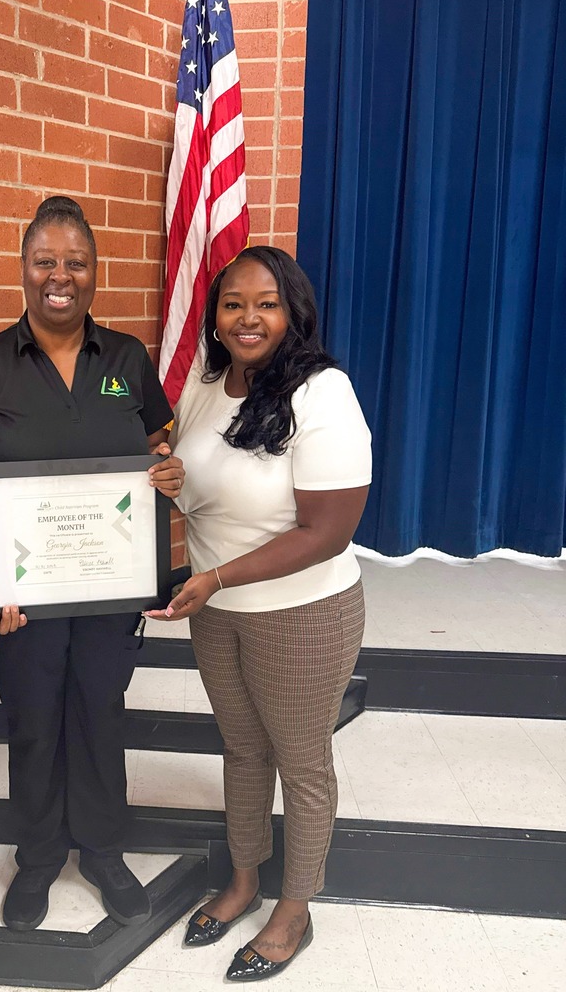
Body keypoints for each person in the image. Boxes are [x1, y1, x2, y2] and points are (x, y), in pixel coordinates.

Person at [0, 196, 184, 932]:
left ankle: (104, 850)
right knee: (33, 720)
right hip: (25, 597)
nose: (60, 276)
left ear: (95, 272)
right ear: (23, 269)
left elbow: (158, 452)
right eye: (46, 261)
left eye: (76, 261)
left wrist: (166, 472)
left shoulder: (129, 359)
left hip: (110, 588)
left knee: (100, 713)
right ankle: (39, 855)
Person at [144, 247, 371, 982]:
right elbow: (207, 492)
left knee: (302, 765)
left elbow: (325, 531)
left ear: (292, 311)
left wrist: (215, 577)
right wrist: (171, 481)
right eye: (233, 303)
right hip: (221, 609)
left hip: (301, 612)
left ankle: (293, 910)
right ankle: (244, 881)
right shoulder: (208, 382)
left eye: (265, 303)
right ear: (215, 315)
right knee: (242, 751)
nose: (247, 318)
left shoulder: (323, 392)